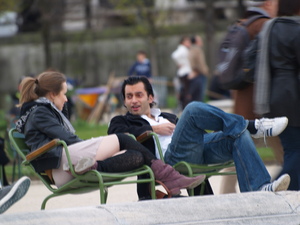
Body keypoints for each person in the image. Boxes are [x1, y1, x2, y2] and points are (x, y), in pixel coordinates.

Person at [15, 71, 205, 197]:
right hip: (61, 166)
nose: (66, 98)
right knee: (124, 138)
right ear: (52, 94)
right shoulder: (40, 112)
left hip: (68, 160)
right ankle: (169, 176)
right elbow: (68, 139)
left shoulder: (46, 110)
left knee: (137, 156)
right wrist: (94, 145)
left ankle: (92, 166)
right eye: (64, 94)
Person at [108, 76, 290, 198]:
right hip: (170, 162)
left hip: (197, 150)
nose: (133, 100)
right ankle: (254, 126)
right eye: (129, 96)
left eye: (138, 95)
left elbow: (194, 135)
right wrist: (154, 129)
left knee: (236, 135)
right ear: (124, 101)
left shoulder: (168, 117)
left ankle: (258, 188)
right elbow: (118, 138)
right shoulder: (121, 121)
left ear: (150, 97)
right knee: (193, 109)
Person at [222, 0, 282, 194]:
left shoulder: (243, 22)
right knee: (285, 150)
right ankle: (283, 186)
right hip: (260, 103)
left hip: (242, 101)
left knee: (238, 151)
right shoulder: (263, 24)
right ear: (268, 3)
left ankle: (226, 194)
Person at [254, 0, 300, 190]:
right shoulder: (296, 30)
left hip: (272, 94)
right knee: (295, 150)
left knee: (292, 148)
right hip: (293, 95)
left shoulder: (269, 28)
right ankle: (270, 189)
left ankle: (289, 190)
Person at [171, 36, 192, 109]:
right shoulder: (183, 49)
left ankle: (183, 105)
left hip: (184, 71)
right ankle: (184, 106)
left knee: (183, 90)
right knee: (185, 91)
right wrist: (179, 63)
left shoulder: (184, 49)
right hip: (184, 72)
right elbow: (174, 55)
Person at [189, 35, 209, 102]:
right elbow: (200, 63)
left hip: (196, 74)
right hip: (199, 74)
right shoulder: (197, 50)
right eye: (200, 40)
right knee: (199, 96)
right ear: (197, 41)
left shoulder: (191, 49)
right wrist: (204, 71)